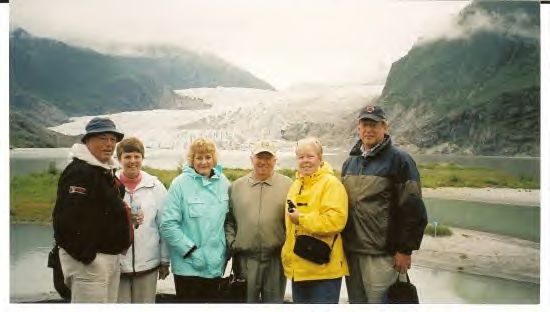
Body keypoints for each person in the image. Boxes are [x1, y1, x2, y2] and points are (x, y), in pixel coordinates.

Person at [340, 104, 428, 304]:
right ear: (358, 127)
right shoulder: (349, 163)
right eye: (365, 124)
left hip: (382, 255)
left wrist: (405, 250)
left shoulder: (400, 161)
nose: (369, 129)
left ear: (385, 127)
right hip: (352, 252)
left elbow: (413, 209)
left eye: (375, 125)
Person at [52, 117, 132, 303]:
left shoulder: (102, 170)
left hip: (108, 259)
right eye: (103, 138)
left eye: (113, 140)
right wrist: (88, 258)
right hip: (90, 263)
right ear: (87, 140)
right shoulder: (79, 172)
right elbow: (65, 221)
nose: (109, 144)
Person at [160, 138, 230, 302]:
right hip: (188, 268)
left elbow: (228, 221)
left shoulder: (224, 183)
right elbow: (168, 226)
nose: (204, 162)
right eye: (199, 158)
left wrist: (225, 251)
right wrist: (191, 252)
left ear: (214, 159)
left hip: (215, 266)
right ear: (192, 160)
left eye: (208, 157)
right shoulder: (179, 184)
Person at [281, 137, 349, 304]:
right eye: (301, 157)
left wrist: (301, 219)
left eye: (310, 156)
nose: (305, 161)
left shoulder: (331, 184)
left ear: (320, 158)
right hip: (299, 269)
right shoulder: (296, 184)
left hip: (323, 270)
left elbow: (335, 221)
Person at [225, 140, 292, 303]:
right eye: (259, 157)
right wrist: (232, 242)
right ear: (251, 159)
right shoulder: (236, 186)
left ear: (275, 160)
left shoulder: (289, 185)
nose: (263, 162)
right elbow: (229, 220)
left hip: (275, 260)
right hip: (245, 261)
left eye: (268, 157)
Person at [115, 137, 170, 303]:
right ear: (119, 159)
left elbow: (164, 225)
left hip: (148, 264)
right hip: (116, 265)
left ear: (142, 158)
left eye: (137, 156)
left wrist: (165, 260)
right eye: (127, 157)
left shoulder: (155, 186)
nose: (133, 161)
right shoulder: (110, 184)